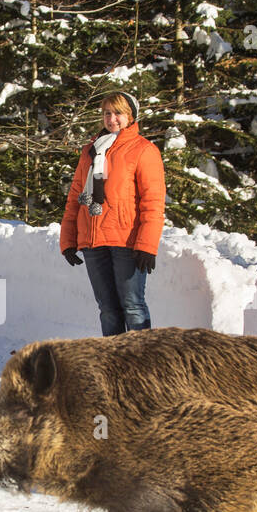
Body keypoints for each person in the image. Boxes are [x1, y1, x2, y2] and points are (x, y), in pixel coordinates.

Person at [59, 91, 166, 336]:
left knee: (133, 307)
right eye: (107, 113)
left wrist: (147, 245)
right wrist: (68, 240)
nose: (112, 119)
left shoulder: (143, 150)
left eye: (118, 113)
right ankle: (114, 368)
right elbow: (75, 197)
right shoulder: (91, 151)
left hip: (126, 242)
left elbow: (153, 201)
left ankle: (142, 367)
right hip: (94, 242)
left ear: (131, 116)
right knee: (107, 309)